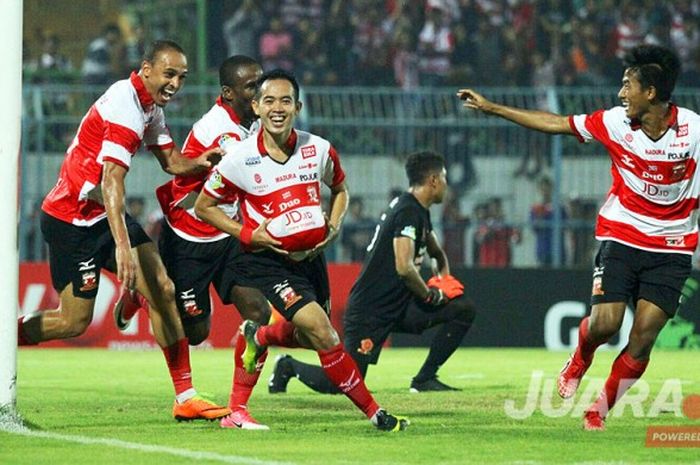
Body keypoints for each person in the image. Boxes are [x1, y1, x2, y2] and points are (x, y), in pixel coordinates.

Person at [458, 44, 696, 430]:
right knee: (605, 325)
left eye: (627, 86)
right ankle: (580, 357)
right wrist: (494, 108)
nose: (621, 95)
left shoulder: (693, 130)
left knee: (643, 338)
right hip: (622, 235)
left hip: (672, 246)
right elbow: (556, 123)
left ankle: (597, 411)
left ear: (650, 92)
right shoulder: (615, 122)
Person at [17, 40, 230, 422]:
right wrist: (121, 247)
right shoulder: (125, 107)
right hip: (72, 221)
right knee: (73, 321)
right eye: (169, 74)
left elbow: (171, 162)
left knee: (163, 288)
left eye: (182, 76)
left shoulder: (150, 108)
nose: (176, 84)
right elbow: (112, 180)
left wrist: (202, 162)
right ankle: (6, 341)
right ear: (146, 69)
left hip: (101, 213)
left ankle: (185, 396)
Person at [194, 69, 409, 432]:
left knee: (314, 335)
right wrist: (247, 234)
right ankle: (376, 415)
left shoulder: (318, 148)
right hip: (267, 261)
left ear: (298, 107)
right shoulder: (238, 158)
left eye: (285, 101)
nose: (277, 108)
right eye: (269, 101)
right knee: (324, 333)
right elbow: (204, 206)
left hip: (311, 259)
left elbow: (340, 189)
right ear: (256, 107)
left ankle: (258, 341)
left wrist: (336, 225)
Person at [114, 55, 273, 429]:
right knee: (197, 333)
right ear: (228, 92)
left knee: (258, 311)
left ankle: (239, 409)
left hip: (228, 234)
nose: (259, 91)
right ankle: (143, 294)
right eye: (252, 86)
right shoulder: (217, 129)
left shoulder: (250, 124)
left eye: (260, 83)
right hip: (190, 239)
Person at [267, 150, 476, 395]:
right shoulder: (408, 212)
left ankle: (425, 378)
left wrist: (444, 278)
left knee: (463, 308)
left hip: (399, 304)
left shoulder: (417, 210)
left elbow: (437, 252)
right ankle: (288, 366)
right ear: (433, 180)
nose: (446, 185)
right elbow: (404, 267)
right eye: (444, 178)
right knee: (344, 384)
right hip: (371, 310)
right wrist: (430, 296)